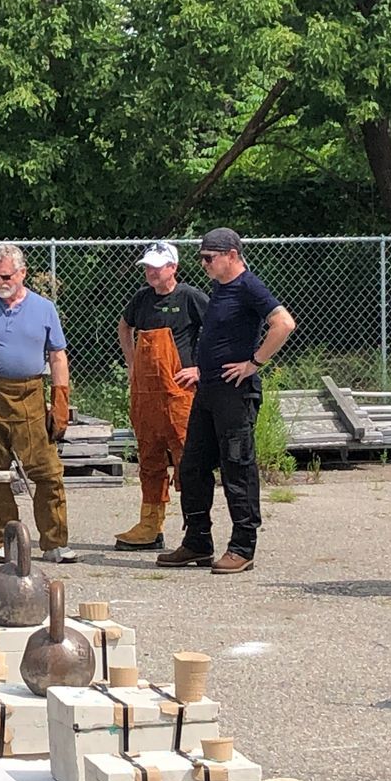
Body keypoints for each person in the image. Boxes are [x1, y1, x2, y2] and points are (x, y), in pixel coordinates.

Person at [158, 228, 296, 574]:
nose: (203, 264)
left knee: (237, 468)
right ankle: (197, 541)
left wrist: (254, 363)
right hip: (209, 391)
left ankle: (242, 547)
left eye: (209, 258)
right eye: (201, 258)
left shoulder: (249, 286)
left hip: (235, 393)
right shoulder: (220, 287)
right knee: (192, 466)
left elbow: (283, 323)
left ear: (231, 255)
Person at [0, 244, 77, 563]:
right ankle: (6, 543)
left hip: (30, 395)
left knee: (47, 471)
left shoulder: (44, 309)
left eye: (6, 276)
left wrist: (60, 401)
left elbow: (58, 356)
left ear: (22, 273)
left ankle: (54, 543)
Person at [113, 240, 210, 550]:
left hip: (179, 395)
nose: (151, 272)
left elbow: (217, 331)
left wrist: (200, 369)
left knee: (187, 460)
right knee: (149, 461)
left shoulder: (190, 297)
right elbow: (124, 327)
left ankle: (196, 529)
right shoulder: (141, 299)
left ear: (173, 267)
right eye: (148, 268)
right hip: (145, 397)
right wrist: (131, 363)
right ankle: (150, 527)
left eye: (157, 267)